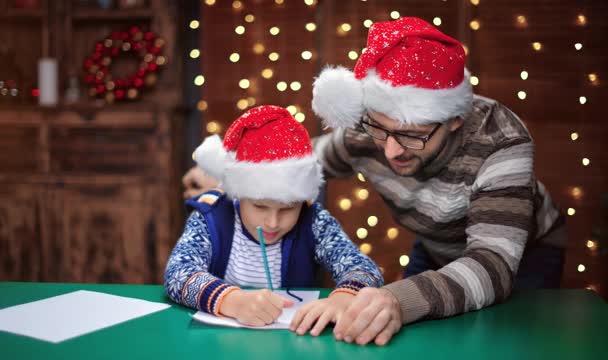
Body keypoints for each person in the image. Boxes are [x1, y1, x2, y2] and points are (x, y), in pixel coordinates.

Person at [183, 18, 566, 346]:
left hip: (521, 253)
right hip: (435, 245)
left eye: (413, 136)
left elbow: (493, 265)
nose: (391, 150)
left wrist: (397, 299)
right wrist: (220, 174)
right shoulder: (368, 129)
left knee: (504, 341)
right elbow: (291, 167)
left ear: (454, 120)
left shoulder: (502, 142)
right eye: (381, 130)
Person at [165, 105, 383, 327]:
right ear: (238, 193)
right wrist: (234, 302)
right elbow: (177, 274)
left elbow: (365, 270)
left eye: (288, 209)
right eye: (259, 207)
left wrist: (344, 300)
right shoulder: (211, 216)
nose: (272, 222)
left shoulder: (314, 221)